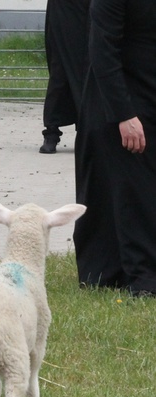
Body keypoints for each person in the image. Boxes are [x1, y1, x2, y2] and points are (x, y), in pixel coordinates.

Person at [73, 0, 156, 295]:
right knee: (133, 191)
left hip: (148, 90)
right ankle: (143, 277)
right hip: (119, 102)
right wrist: (123, 114)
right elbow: (103, 50)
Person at [39, 0, 91, 154]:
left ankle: (86, 132)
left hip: (92, 7)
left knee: (89, 67)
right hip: (64, 7)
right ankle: (52, 132)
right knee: (60, 68)